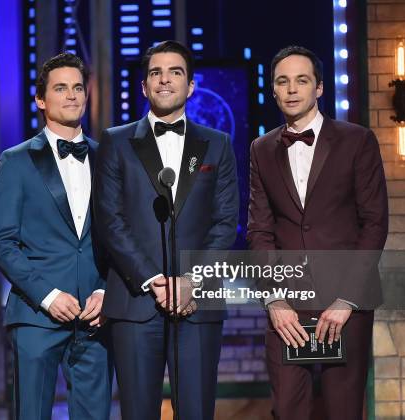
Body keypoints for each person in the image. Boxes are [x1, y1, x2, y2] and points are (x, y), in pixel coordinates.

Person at [93, 40, 239, 420]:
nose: (164, 80)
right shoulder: (116, 141)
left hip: (198, 305)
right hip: (136, 301)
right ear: (144, 86)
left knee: (196, 411)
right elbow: (110, 219)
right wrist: (153, 279)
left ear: (191, 86)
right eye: (155, 72)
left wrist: (192, 280)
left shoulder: (218, 145)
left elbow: (225, 223)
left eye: (175, 72)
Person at [247, 45, 388, 420]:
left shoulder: (357, 140)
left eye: (302, 80)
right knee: (288, 410)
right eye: (283, 81)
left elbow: (374, 223)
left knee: (343, 410)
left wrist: (346, 301)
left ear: (319, 88)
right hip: (287, 308)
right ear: (273, 90)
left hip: (346, 306)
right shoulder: (261, 149)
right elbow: (259, 230)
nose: (292, 89)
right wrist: (275, 301)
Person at [0, 52, 111, 420]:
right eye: (61, 88)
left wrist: (106, 290)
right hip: (36, 316)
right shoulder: (16, 160)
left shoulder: (109, 158)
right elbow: (2, 240)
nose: (72, 95)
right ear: (41, 99)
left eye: (77, 87)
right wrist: (47, 295)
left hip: (96, 316)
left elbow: (120, 236)